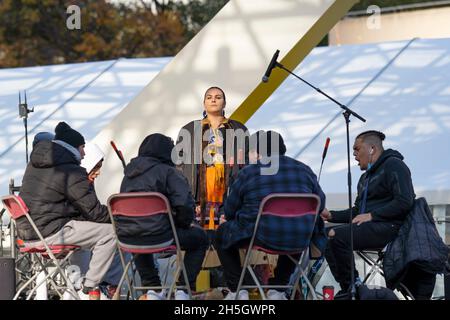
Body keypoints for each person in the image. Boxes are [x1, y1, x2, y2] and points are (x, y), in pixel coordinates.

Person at [215, 130, 327, 300]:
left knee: (221, 234)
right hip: (300, 237)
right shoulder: (304, 170)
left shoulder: (249, 172)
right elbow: (320, 204)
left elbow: (230, 211)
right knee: (295, 228)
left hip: (261, 234)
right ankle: (278, 289)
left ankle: (238, 290)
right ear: (283, 148)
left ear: (259, 151)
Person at [18, 122, 116, 299]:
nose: (84, 153)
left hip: (27, 235)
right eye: (82, 147)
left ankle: (77, 284)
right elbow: (95, 213)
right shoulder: (70, 170)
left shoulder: (34, 166)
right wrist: (118, 217)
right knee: (110, 233)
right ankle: (89, 289)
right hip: (50, 233)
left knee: (83, 239)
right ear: (73, 147)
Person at [321, 130, 420, 297]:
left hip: (392, 227)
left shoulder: (394, 165)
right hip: (372, 226)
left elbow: (405, 201)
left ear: (372, 148)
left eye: (357, 149)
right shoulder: (364, 178)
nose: (354, 154)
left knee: (335, 235)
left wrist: (372, 216)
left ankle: (353, 287)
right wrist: (331, 215)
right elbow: (358, 211)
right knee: (325, 233)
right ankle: (349, 287)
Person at [120, 133, 208, 300]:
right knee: (201, 238)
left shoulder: (128, 175)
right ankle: (183, 289)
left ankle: (152, 289)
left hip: (128, 237)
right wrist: (184, 224)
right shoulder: (168, 172)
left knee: (139, 235)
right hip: (161, 235)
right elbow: (184, 206)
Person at [176, 86, 249, 232]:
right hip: (200, 184)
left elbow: (245, 161)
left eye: (218, 97)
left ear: (225, 103)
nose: (213, 100)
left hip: (227, 182)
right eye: (209, 97)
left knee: (224, 227)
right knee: (199, 230)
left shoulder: (238, 128)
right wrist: (189, 197)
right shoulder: (190, 128)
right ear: (204, 104)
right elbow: (179, 163)